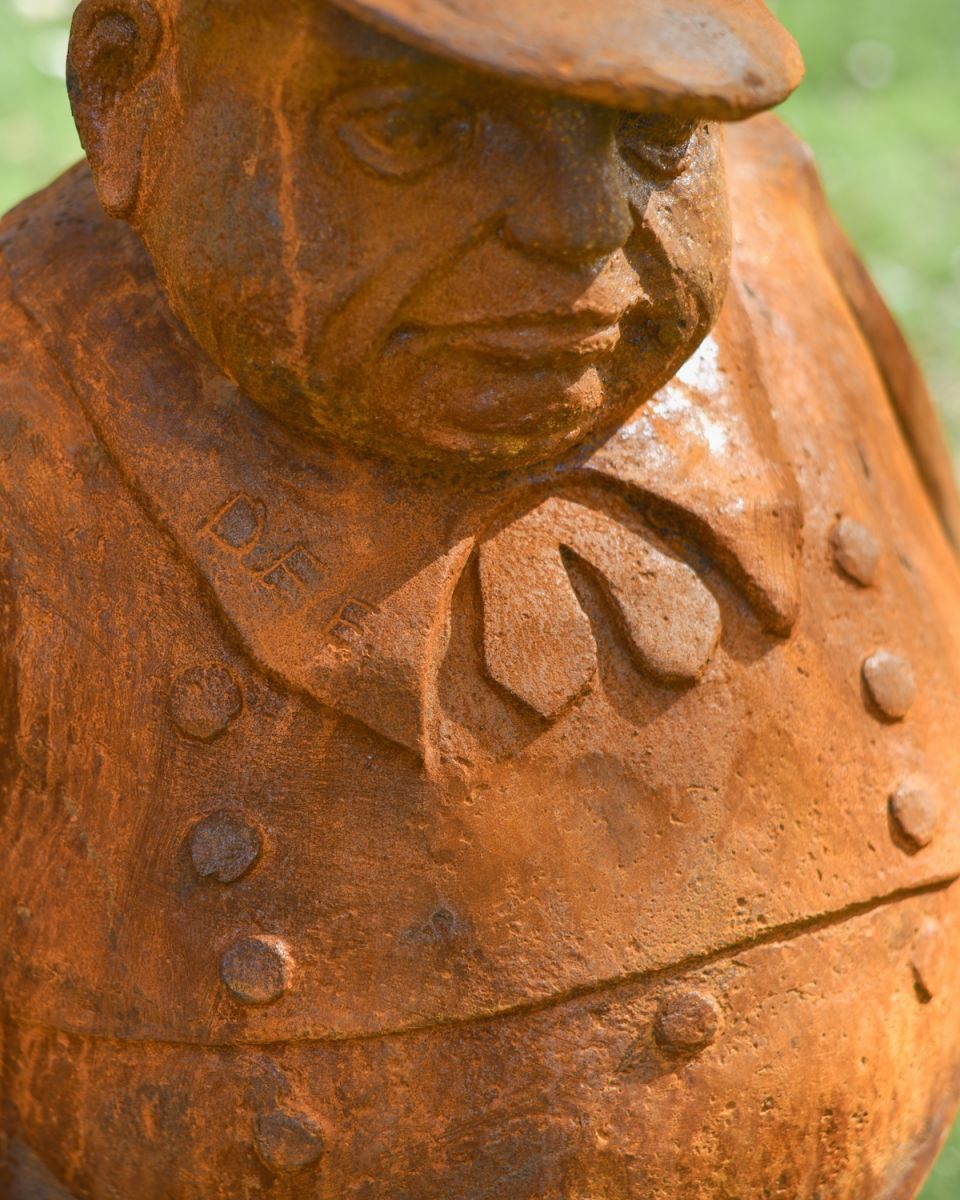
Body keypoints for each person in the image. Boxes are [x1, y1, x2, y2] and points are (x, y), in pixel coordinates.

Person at [2, 1, 959, 1196]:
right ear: (125, 90)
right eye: (408, 129)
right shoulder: (27, 424)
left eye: (658, 136)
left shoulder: (787, 252)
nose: (578, 225)